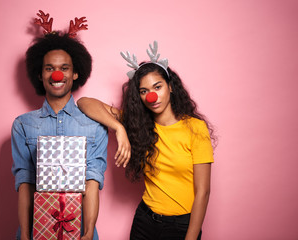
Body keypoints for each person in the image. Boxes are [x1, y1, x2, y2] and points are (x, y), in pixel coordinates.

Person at [77, 41, 216, 240]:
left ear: (170, 87)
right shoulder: (138, 125)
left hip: (181, 225)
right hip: (145, 220)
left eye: (157, 87)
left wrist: (191, 237)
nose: (152, 96)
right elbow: (84, 102)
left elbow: (203, 192)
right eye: (144, 91)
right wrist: (119, 128)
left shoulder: (195, 128)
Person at [11, 14, 125, 239]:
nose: (57, 74)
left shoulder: (95, 125)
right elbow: (25, 182)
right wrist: (25, 234)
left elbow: (93, 182)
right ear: (40, 74)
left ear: (75, 74)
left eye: (64, 68)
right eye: (49, 68)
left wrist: (89, 232)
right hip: (36, 229)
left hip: (78, 230)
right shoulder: (22, 125)